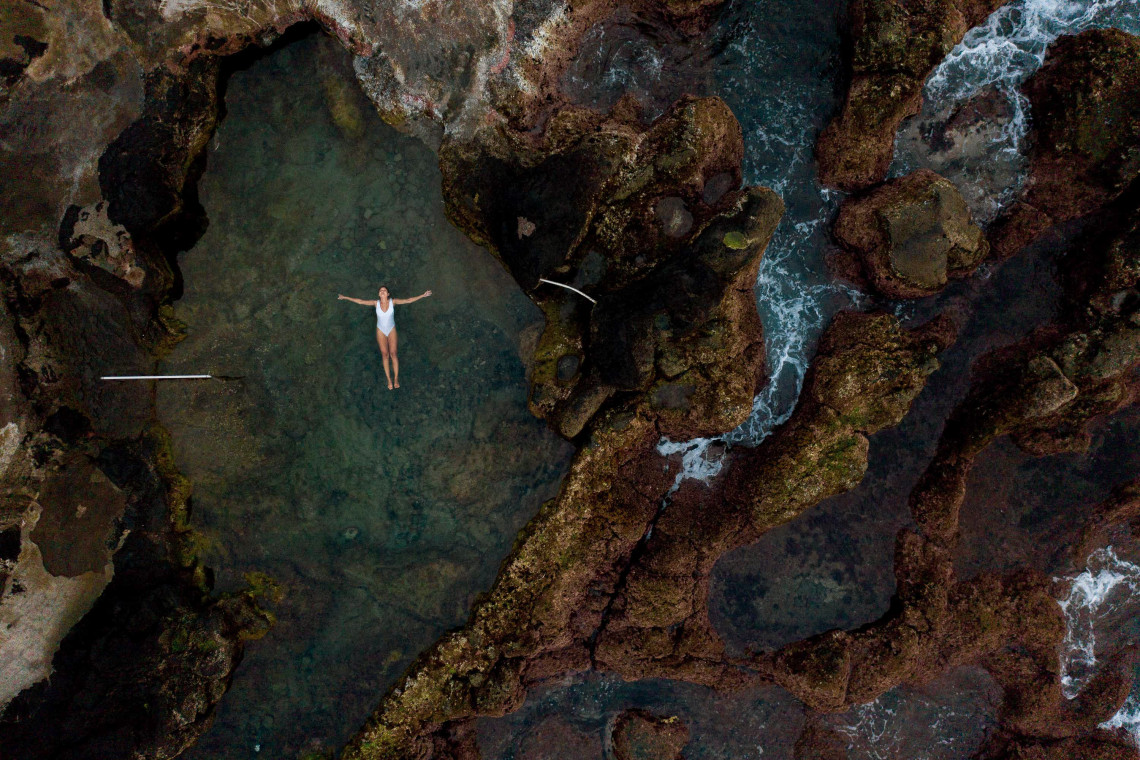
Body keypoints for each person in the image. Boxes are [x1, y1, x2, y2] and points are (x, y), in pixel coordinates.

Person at [337, 286, 432, 389]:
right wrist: (345, 297)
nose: (382, 291)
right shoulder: (376, 303)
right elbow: (360, 301)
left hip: (391, 329)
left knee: (393, 354)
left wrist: (423, 295)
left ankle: (396, 378)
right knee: (385, 354)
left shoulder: (393, 302)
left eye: (384, 290)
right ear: (379, 294)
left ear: (388, 294)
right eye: (380, 291)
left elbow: (408, 300)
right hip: (380, 330)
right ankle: (389, 380)